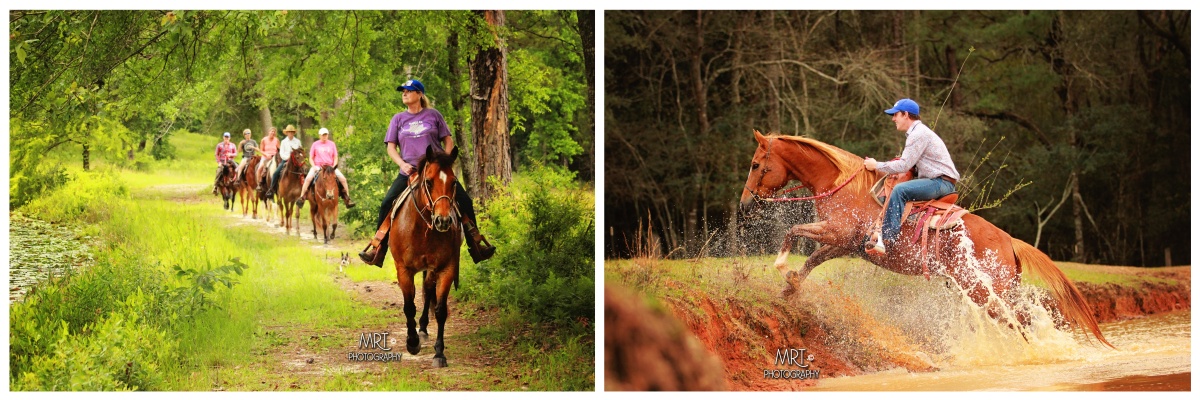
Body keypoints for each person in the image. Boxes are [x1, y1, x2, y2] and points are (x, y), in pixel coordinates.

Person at [358, 79, 495, 267]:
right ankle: (378, 249)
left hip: (435, 171)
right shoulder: (398, 119)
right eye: (403, 91)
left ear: (420, 94)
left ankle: (476, 246)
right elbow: (391, 148)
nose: (404, 93)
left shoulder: (433, 115)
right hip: (410, 172)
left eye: (409, 90)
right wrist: (402, 163)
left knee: (465, 201)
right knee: (386, 203)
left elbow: (448, 141)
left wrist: (444, 163)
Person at [864, 98, 960, 255]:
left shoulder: (918, 134)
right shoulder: (919, 133)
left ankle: (886, 240)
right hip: (940, 181)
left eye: (895, 115)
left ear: (906, 114)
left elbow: (904, 165)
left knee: (900, 190)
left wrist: (876, 165)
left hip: (940, 183)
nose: (893, 119)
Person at [296, 127, 356, 209]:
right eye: (323, 135)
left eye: (326, 135)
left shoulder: (332, 144)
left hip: (330, 167)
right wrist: (314, 167)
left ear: (327, 135)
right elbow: (311, 158)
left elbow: (335, 157)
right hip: (318, 166)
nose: (324, 137)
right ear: (320, 135)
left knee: (343, 179)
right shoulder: (315, 144)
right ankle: (302, 198)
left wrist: (334, 166)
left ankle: (347, 199)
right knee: (308, 179)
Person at [267, 124, 303, 197]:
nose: (290, 133)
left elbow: (301, 152)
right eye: (289, 132)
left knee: (304, 171)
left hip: (296, 161)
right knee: (275, 173)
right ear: (287, 133)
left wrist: (299, 157)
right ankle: (272, 189)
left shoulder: (298, 141)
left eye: (292, 132)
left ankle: (305, 191)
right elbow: (281, 153)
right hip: (286, 160)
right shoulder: (283, 142)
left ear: (293, 133)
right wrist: (288, 158)